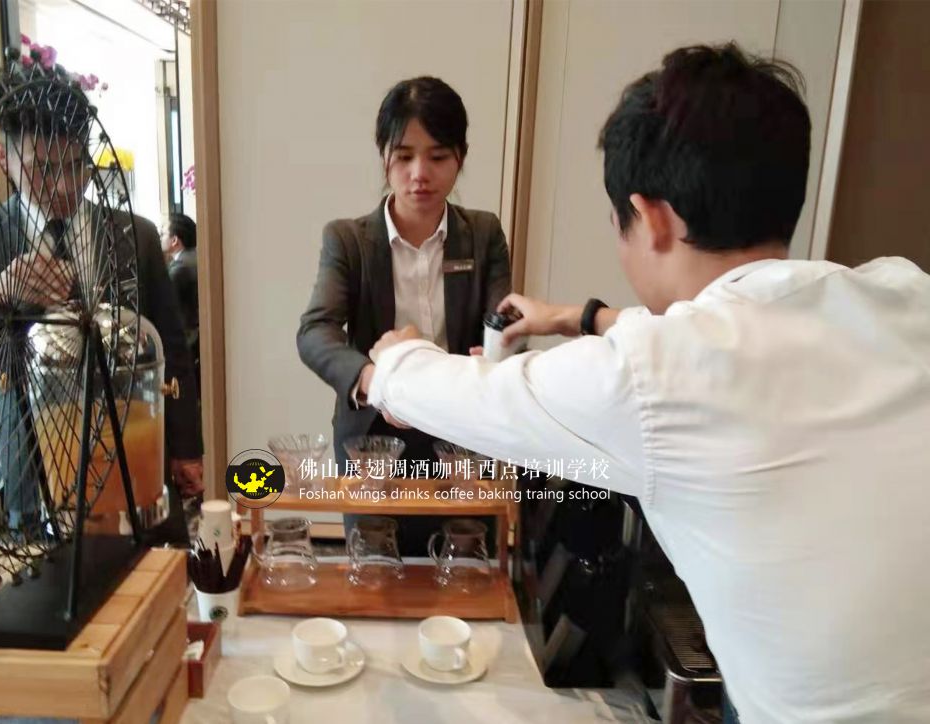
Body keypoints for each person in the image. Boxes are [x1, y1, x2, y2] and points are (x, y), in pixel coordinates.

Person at [362, 44, 930, 722]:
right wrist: (581, 317)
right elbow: (715, 334)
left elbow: (481, 397)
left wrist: (394, 359)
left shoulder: (651, 375)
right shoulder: (903, 291)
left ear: (651, 217)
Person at [0, 78, 204, 532]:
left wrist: (186, 447)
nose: (63, 185)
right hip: (29, 465)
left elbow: (170, 345)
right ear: (2, 156)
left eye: (77, 164)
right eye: (42, 168)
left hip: (134, 449)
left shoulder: (135, 235)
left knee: (153, 570)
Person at [297, 76, 512, 553]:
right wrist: (374, 380)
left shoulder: (483, 235)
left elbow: (501, 328)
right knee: (376, 568)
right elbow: (315, 331)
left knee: (464, 566)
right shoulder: (348, 240)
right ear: (384, 157)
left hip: (460, 436)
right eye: (405, 156)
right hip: (374, 438)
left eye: (438, 157)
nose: (420, 174)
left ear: (461, 157)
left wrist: (495, 358)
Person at [161, 212, 200, 384]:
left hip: (188, 341)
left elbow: (164, 302)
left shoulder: (180, 268)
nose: (160, 237)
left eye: (163, 233)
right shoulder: (194, 257)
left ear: (175, 240)